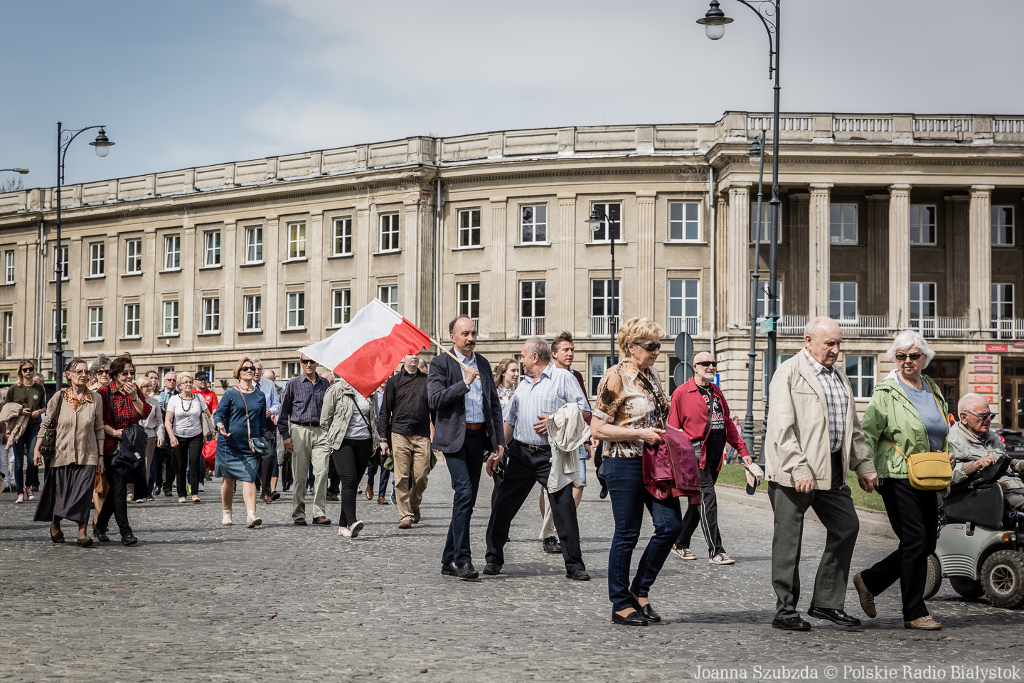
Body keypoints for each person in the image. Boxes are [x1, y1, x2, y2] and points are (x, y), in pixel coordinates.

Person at [764, 317, 878, 631]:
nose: (836, 350)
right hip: (793, 473)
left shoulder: (840, 375)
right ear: (808, 341)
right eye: (830, 343)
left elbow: (852, 426)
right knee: (789, 541)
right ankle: (785, 611)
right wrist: (799, 467)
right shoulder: (788, 372)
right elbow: (781, 427)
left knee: (847, 526)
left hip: (832, 469)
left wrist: (864, 465)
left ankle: (826, 602)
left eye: (839, 343)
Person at [854, 330, 950, 631]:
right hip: (895, 474)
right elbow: (868, 433)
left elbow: (940, 429)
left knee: (926, 542)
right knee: (915, 539)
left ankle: (869, 580)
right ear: (894, 358)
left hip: (927, 473)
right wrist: (865, 468)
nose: (907, 361)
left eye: (913, 355)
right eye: (901, 356)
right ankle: (914, 612)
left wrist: (946, 454)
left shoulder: (932, 387)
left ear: (924, 358)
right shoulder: (887, 391)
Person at [591, 318, 678, 626]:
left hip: (655, 463)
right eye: (651, 346)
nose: (657, 351)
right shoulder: (614, 376)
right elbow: (598, 428)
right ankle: (620, 603)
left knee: (671, 526)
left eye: (659, 345)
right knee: (627, 533)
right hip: (623, 462)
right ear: (631, 347)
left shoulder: (652, 375)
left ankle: (639, 590)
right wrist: (639, 434)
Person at [484, 336, 591, 580]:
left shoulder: (563, 378)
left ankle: (575, 565)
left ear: (534, 356)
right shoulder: (522, 386)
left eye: (523, 356)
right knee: (502, 506)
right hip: (520, 455)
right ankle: (493, 558)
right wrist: (499, 450)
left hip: (551, 456)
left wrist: (555, 420)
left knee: (564, 509)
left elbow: (584, 410)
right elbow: (510, 421)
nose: (520, 361)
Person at [428, 315, 505, 581]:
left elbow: (493, 404)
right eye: (465, 334)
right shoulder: (440, 363)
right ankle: (463, 560)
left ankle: (447, 559)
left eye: (473, 333)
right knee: (464, 493)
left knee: (467, 500)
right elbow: (434, 400)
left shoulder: (482, 363)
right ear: (452, 337)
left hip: (477, 437)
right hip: (453, 440)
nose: (471, 338)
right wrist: (464, 383)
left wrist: (498, 441)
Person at [669, 351, 754, 565]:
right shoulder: (681, 393)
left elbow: (727, 424)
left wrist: (743, 451)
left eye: (713, 363)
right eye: (705, 363)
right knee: (708, 499)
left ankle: (679, 543)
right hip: (695, 457)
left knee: (698, 503)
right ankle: (716, 551)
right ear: (695, 367)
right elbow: (673, 431)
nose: (710, 367)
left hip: (715, 457)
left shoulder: (717, 391)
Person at [31, 358, 105, 546]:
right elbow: (46, 424)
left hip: (88, 454)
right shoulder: (59, 397)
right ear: (69, 375)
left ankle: (82, 533)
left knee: (83, 494)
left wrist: (101, 457)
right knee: (60, 494)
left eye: (86, 372)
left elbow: (99, 428)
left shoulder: (96, 398)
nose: (83, 375)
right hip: (60, 453)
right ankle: (55, 525)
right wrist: (37, 448)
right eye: (79, 371)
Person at [535, 332, 592, 554]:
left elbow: (584, 408)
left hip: (575, 438)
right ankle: (549, 533)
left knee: (579, 483)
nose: (570, 353)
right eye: (565, 350)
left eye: (572, 350)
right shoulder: (545, 375)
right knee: (548, 486)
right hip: (551, 439)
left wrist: (587, 439)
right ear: (554, 353)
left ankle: (564, 524)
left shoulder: (575, 375)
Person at [95, 354, 152, 546]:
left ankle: (99, 526)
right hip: (112, 447)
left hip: (131, 447)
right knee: (119, 488)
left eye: (131, 373)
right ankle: (126, 532)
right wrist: (114, 432)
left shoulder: (134, 390)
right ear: (115, 374)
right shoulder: (104, 392)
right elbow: (98, 421)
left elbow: (145, 413)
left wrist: (134, 397)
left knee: (115, 491)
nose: (129, 376)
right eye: (124, 373)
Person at [378, 354, 433, 529]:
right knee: (401, 477)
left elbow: (435, 409)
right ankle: (406, 515)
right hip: (399, 434)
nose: (414, 357)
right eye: (410, 354)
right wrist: (383, 438)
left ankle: (414, 505)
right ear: (403, 358)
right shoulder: (394, 381)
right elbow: (385, 411)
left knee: (421, 477)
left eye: (417, 353)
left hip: (422, 434)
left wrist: (437, 434)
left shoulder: (427, 380)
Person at [322, 375, 380, 537]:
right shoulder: (336, 389)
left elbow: (373, 417)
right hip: (342, 441)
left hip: (365, 442)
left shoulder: (371, 391)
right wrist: (332, 438)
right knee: (349, 479)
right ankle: (352, 522)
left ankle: (342, 526)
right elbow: (325, 419)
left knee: (353, 484)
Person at [212, 358, 267, 528]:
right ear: (238, 372)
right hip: (229, 443)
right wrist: (219, 424)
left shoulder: (260, 395)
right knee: (228, 479)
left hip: (250, 445)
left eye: (252, 368)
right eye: (245, 368)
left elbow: (261, 423)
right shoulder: (231, 393)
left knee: (249, 477)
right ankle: (227, 512)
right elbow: (219, 414)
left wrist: (261, 441)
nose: (250, 370)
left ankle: (251, 514)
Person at [278, 353, 331, 526]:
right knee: (300, 475)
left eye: (312, 361)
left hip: (321, 431)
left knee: (322, 471)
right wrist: (286, 436)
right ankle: (298, 512)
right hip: (299, 430)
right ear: (301, 364)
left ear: (317, 363)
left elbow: (331, 408)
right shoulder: (293, 383)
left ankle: (319, 512)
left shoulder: (325, 383)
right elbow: (283, 412)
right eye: (305, 361)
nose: (308, 364)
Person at [947, 392, 1024, 511]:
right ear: (964, 418)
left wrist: (1021, 464)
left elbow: (1006, 464)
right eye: (983, 416)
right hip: (989, 494)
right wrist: (975, 465)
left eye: (990, 415)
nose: (988, 420)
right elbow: (947, 476)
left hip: (1015, 487)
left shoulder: (992, 436)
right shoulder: (953, 441)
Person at [164, 372, 212, 504]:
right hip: (178, 436)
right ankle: (181, 494)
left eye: (190, 382)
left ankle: (195, 493)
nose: (188, 384)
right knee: (180, 465)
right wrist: (171, 436)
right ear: (180, 386)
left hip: (196, 435)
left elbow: (209, 415)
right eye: (185, 382)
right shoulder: (174, 400)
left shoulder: (199, 398)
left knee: (194, 463)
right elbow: (167, 421)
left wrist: (216, 430)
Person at [6, 360, 45, 503]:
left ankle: (28, 485)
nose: (28, 371)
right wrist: (20, 411)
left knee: (32, 459)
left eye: (30, 369)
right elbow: (7, 407)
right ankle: (20, 492)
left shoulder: (38, 388)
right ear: (20, 372)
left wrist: (38, 412)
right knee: (18, 462)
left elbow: (44, 407)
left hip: (34, 426)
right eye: (25, 369)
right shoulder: (14, 388)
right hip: (18, 427)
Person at [133, 377, 165, 503]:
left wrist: (160, 436)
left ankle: (143, 492)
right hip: (135, 436)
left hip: (150, 435)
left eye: (150, 386)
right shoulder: (133, 400)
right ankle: (131, 491)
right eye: (146, 386)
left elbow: (159, 421)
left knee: (146, 466)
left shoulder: (154, 402)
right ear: (140, 387)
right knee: (134, 463)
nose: (149, 388)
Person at [253, 363, 282, 503]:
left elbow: (277, 404)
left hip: (266, 425)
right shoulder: (244, 385)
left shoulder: (269, 385)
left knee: (269, 456)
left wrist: (271, 410)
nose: (256, 372)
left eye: (259, 369)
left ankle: (266, 491)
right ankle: (254, 487)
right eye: (254, 369)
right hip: (251, 425)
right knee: (253, 457)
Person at [192, 371, 219, 492]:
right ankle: (191, 481)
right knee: (192, 457)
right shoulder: (192, 392)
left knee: (203, 456)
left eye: (206, 379)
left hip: (206, 429)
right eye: (201, 379)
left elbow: (214, 412)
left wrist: (215, 430)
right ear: (196, 381)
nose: (204, 381)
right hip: (192, 428)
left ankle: (200, 481)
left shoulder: (211, 394)